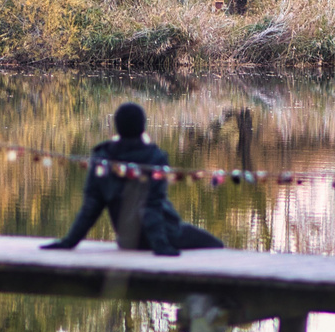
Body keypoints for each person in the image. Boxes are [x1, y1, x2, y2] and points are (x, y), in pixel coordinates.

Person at [40, 102, 224, 256]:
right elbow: (151, 206)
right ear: (143, 126)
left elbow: (91, 208)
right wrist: (161, 246)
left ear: (117, 126)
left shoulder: (102, 157)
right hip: (165, 235)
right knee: (217, 246)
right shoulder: (155, 157)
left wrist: (69, 242)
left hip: (128, 240)